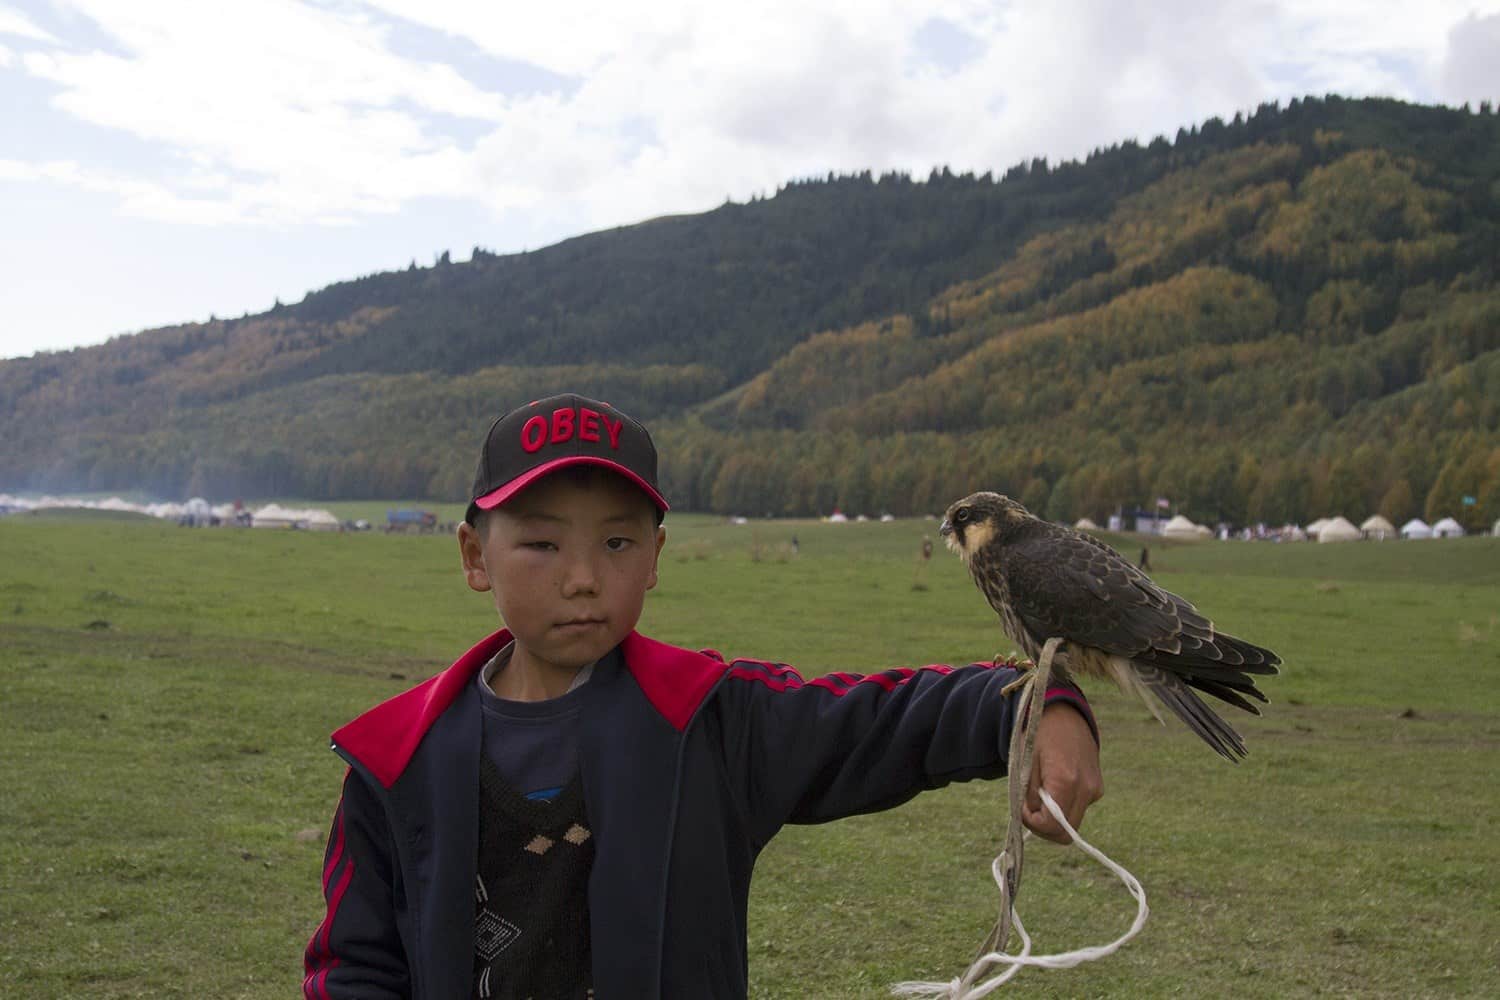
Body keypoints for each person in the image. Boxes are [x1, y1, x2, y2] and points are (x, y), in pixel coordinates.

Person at [304, 393, 1104, 999]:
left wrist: (1038, 708)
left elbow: (875, 719)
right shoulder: (397, 762)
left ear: (654, 557)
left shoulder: (710, 723)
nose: (582, 576)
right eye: (542, 542)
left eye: (615, 542)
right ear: (476, 555)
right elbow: (356, 966)